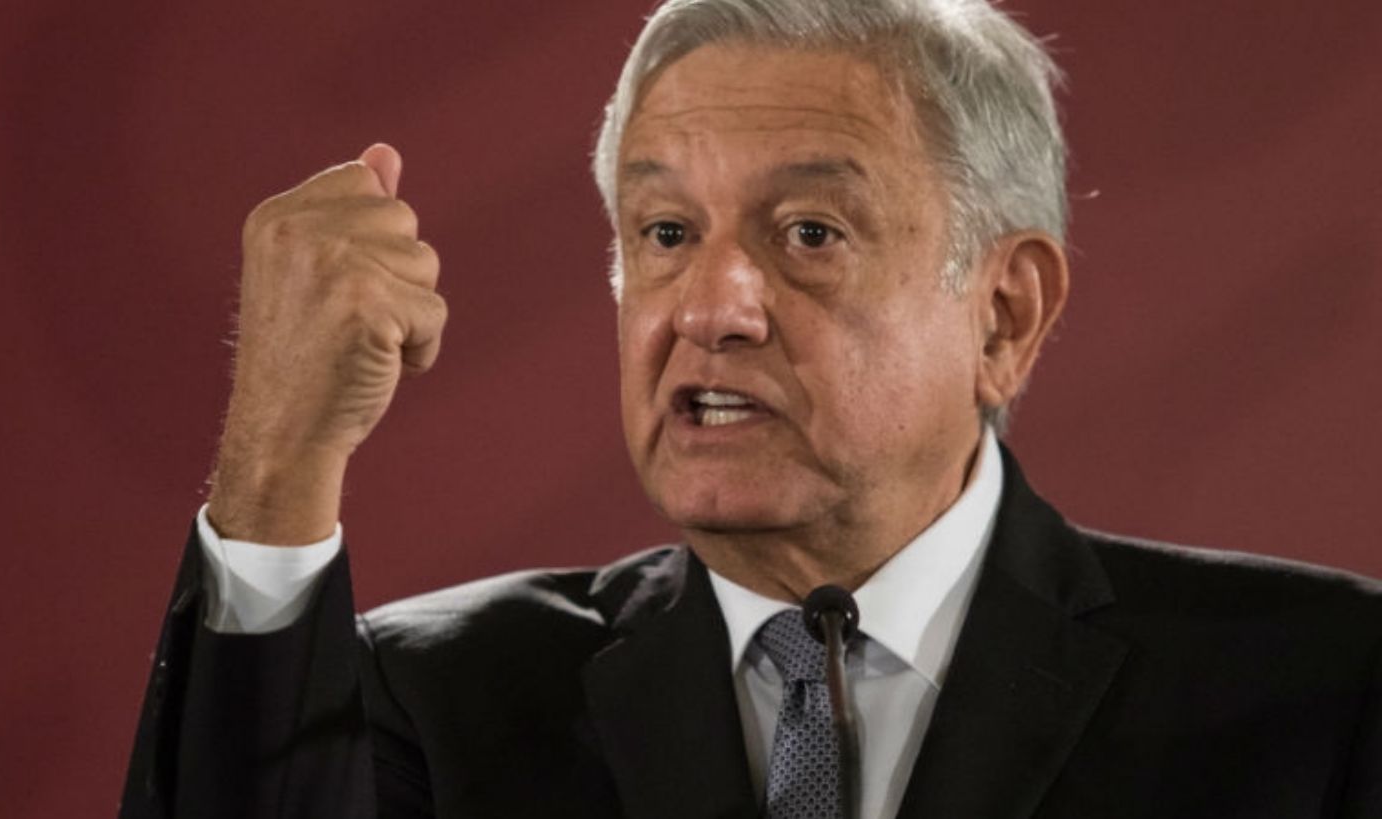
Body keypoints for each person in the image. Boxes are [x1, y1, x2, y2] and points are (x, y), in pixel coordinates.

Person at [120, 1, 1382, 817]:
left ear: (1004, 313)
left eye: (809, 232)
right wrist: (281, 462)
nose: (710, 307)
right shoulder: (426, 699)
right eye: (665, 232)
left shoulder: (1327, 692)